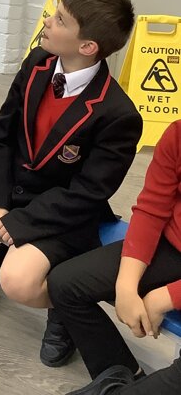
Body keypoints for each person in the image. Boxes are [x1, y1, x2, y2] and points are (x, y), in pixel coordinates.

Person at [0, 0, 143, 364]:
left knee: (19, 283)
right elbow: (0, 136)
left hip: (60, 210)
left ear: (87, 46)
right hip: (9, 185)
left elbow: (89, 192)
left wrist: (20, 223)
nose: (47, 20)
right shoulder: (37, 63)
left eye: (60, 19)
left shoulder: (118, 114)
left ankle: (63, 307)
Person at [47, 119, 181, 395]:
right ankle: (121, 377)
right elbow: (153, 208)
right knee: (65, 284)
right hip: (173, 246)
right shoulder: (178, 134)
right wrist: (126, 285)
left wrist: (168, 296)